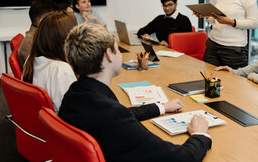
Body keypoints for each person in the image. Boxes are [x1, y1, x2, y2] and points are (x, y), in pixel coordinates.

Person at [59, 24, 212, 161]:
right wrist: (200, 135)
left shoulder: (74, 93)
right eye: (117, 49)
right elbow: (180, 158)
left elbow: (121, 113)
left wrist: (161, 107)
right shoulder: (113, 116)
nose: (119, 53)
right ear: (108, 55)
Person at [22, 11, 78, 113]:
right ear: (66, 38)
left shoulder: (31, 59)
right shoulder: (60, 69)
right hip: (60, 126)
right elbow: (74, 113)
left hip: (43, 122)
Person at [17, 0, 58, 69]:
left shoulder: (39, 37)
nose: (56, 22)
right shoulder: (32, 43)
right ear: (42, 21)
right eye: (53, 19)